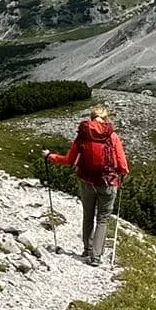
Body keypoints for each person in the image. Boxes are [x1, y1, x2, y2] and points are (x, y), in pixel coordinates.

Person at [45, 103, 129, 265]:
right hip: (108, 183)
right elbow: (122, 164)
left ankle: (87, 249)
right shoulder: (112, 136)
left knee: (88, 215)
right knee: (103, 218)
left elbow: (69, 160)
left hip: (86, 182)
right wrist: (122, 174)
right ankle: (96, 257)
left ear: (91, 118)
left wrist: (50, 156)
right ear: (106, 119)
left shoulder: (82, 135)